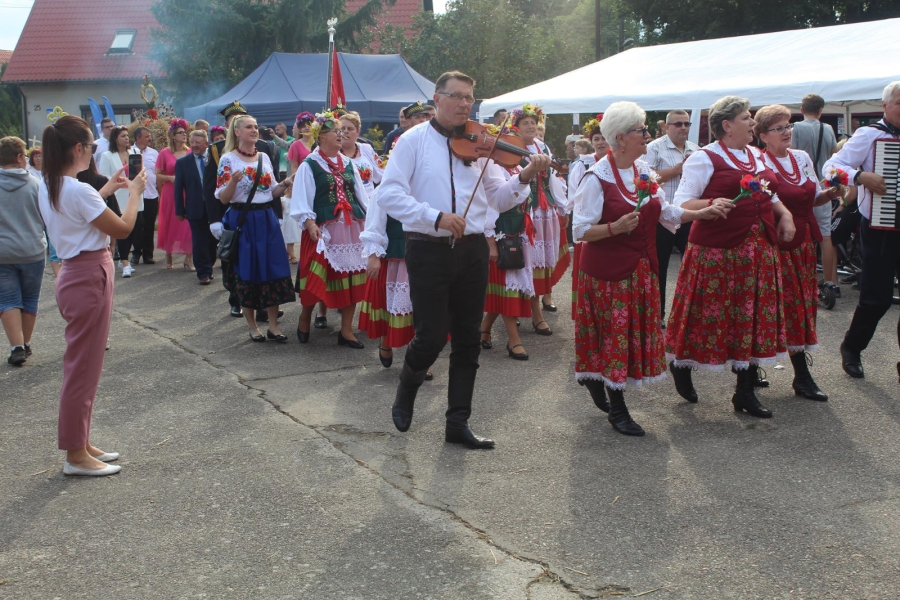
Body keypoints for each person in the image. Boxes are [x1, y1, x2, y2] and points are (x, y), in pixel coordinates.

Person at [377, 70, 550, 449]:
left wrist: (523, 177)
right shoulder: (412, 141)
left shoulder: (481, 146)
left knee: (469, 339)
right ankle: (407, 388)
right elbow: (387, 194)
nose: (463, 104)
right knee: (432, 335)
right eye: (456, 96)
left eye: (469, 97)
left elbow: (499, 198)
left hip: (472, 249)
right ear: (437, 99)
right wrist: (435, 216)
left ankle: (458, 423)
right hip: (428, 246)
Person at [572, 102, 728, 436]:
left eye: (645, 129)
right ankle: (618, 407)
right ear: (620, 137)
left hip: (639, 269)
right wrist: (615, 228)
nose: (647, 135)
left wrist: (701, 214)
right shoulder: (595, 177)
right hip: (607, 273)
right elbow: (579, 231)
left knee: (627, 337)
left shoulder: (641, 168)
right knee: (614, 336)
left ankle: (601, 383)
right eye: (640, 130)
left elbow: (667, 211)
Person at [665, 95, 796, 419]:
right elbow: (682, 202)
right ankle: (682, 364)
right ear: (727, 126)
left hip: (758, 254)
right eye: (746, 118)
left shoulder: (755, 155)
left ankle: (745, 391)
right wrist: (710, 204)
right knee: (704, 316)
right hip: (717, 253)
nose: (752, 123)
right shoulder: (705, 158)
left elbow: (770, 192)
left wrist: (785, 215)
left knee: (750, 320)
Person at [39, 114, 147, 476]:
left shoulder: (51, 183)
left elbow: (78, 213)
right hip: (88, 273)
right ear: (80, 148)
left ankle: (79, 442)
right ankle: (75, 454)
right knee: (83, 369)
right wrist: (133, 193)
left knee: (84, 366)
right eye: (91, 146)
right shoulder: (76, 189)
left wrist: (108, 191)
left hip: (76, 272)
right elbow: (123, 226)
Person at [757, 104, 843, 401]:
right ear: (763, 136)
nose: (786, 132)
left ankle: (781, 370)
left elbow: (813, 195)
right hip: (776, 246)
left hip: (804, 244)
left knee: (804, 307)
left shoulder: (802, 157)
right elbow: (763, 203)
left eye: (788, 126)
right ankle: (800, 376)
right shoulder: (759, 163)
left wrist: (830, 194)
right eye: (778, 128)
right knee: (781, 307)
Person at [825, 81, 900, 381]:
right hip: (881, 226)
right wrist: (860, 175)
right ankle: (851, 348)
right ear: (884, 106)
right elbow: (831, 167)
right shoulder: (870, 135)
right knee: (877, 297)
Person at [291, 109, 369, 348]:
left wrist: (372, 223)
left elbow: (361, 196)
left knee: (353, 278)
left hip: (351, 227)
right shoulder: (310, 165)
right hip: (323, 231)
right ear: (321, 137)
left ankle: (346, 330)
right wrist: (310, 223)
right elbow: (301, 198)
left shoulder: (348, 164)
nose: (340, 134)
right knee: (317, 277)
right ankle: (305, 317)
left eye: (342, 131)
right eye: (335, 131)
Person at [215, 114, 296, 341]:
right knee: (247, 271)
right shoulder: (228, 160)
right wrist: (232, 182)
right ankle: (252, 326)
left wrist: (286, 183)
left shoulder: (263, 157)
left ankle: (273, 325)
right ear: (237, 132)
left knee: (273, 269)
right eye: (248, 127)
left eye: (255, 127)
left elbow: (271, 192)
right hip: (243, 220)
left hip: (266, 219)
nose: (254, 130)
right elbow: (223, 199)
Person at [204, 101, 280, 320]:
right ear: (231, 127)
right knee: (237, 263)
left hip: (264, 215)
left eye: (253, 124)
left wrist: (279, 213)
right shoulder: (218, 151)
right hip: (238, 216)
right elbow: (211, 188)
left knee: (265, 262)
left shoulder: (264, 149)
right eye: (236, 121)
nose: (253, 130)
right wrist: (214, 220)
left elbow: (270, 185)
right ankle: (237, 301)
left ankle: (265, 306)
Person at [504, 103, 569, 339]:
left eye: (533, 123)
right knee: (528, 263)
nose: (530, 126)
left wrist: (561, 207)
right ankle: (533, 313)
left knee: (542, 265)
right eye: (525, 123)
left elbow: (552, 180)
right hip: (527, 212)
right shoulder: (511, 148)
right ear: (516, 126)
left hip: (545, 211)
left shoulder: (542, 146)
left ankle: (536, 308)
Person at [645, 110, 700, 324]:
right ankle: (657, 317)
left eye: (686, 123)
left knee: (692, 268)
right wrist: (675, 170)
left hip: (687, 216)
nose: (683, 128)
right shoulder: (654, 148)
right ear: (667, 127)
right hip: (661, 218)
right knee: (659, 268)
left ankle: (688, 317)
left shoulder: (696, 149)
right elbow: (643, 178)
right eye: (678, 124)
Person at [0, 136, 45, 366]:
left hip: (2, 253)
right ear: (19, 158)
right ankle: (25, 343)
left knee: (7, 300)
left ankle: (16, 346)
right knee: (29, 298)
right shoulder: (35, 184)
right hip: (32, 251)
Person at [791, 94, 840, 296]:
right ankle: (831, 283)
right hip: (824, 186)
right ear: (821, 111)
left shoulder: (796, 129)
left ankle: (802, 281)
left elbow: (791, 154)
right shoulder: (827, 128)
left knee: (801, 234)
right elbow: (835, 152)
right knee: (825, 237)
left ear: (802, 110)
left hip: (802, 186)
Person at [567, 116, 608, 319]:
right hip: (591, 227)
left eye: (604, 137)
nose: (600, 142)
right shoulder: (584, 164)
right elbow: (574, 195)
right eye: (596, 138)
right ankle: (586, 312)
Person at [174, 129, 217, 285]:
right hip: (194, 207)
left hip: (214, 207)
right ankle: (203, 273)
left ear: (206, 143)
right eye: (192, 142)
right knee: (199, 241)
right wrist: (179, 209)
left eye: (198, 142)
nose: (194, 145)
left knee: (213, 240)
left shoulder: (215, 159)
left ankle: (209, 265)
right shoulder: (183, 163)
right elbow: (178, 188)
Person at [98, 125, 142, 277]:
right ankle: (125, 262)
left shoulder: (135, 152)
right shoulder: (107, 156)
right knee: (123, 230)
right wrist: (120, 180)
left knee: (134, 229)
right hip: (118, 197)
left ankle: (125, 259)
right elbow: (104, 177)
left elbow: (141, 172)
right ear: (115, 139)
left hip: (135, 196)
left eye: (126, 136)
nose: (126, 138)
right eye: (122, 136)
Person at [156, 119, 194, 270]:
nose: (184, 135)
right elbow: (158, 174)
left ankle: (189, 259)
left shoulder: (191, 151)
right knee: (170, 223)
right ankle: (168, 255)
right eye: (180, 133)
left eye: (185, 132)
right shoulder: (164, 153)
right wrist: (169, 178)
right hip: (170, 192)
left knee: (188, 225)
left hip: (188, 192)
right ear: (173, 136)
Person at [130, 126, 159, 265]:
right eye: (146, 136)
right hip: (136, 195)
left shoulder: (154, 153)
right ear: (138, 138)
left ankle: (148, 254)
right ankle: (136, 253)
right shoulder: (130, 152)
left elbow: (157, 173)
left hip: (151, 194)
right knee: (137, 225)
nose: (149, 138)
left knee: (149, 225)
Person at [340, 111, 383, 197]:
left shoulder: (366, 149)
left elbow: (382, 173)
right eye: (342, 128)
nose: (345, 131)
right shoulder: (332, 152)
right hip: (346, 202)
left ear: (358, 131)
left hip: (370, 202)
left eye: (350, 129)